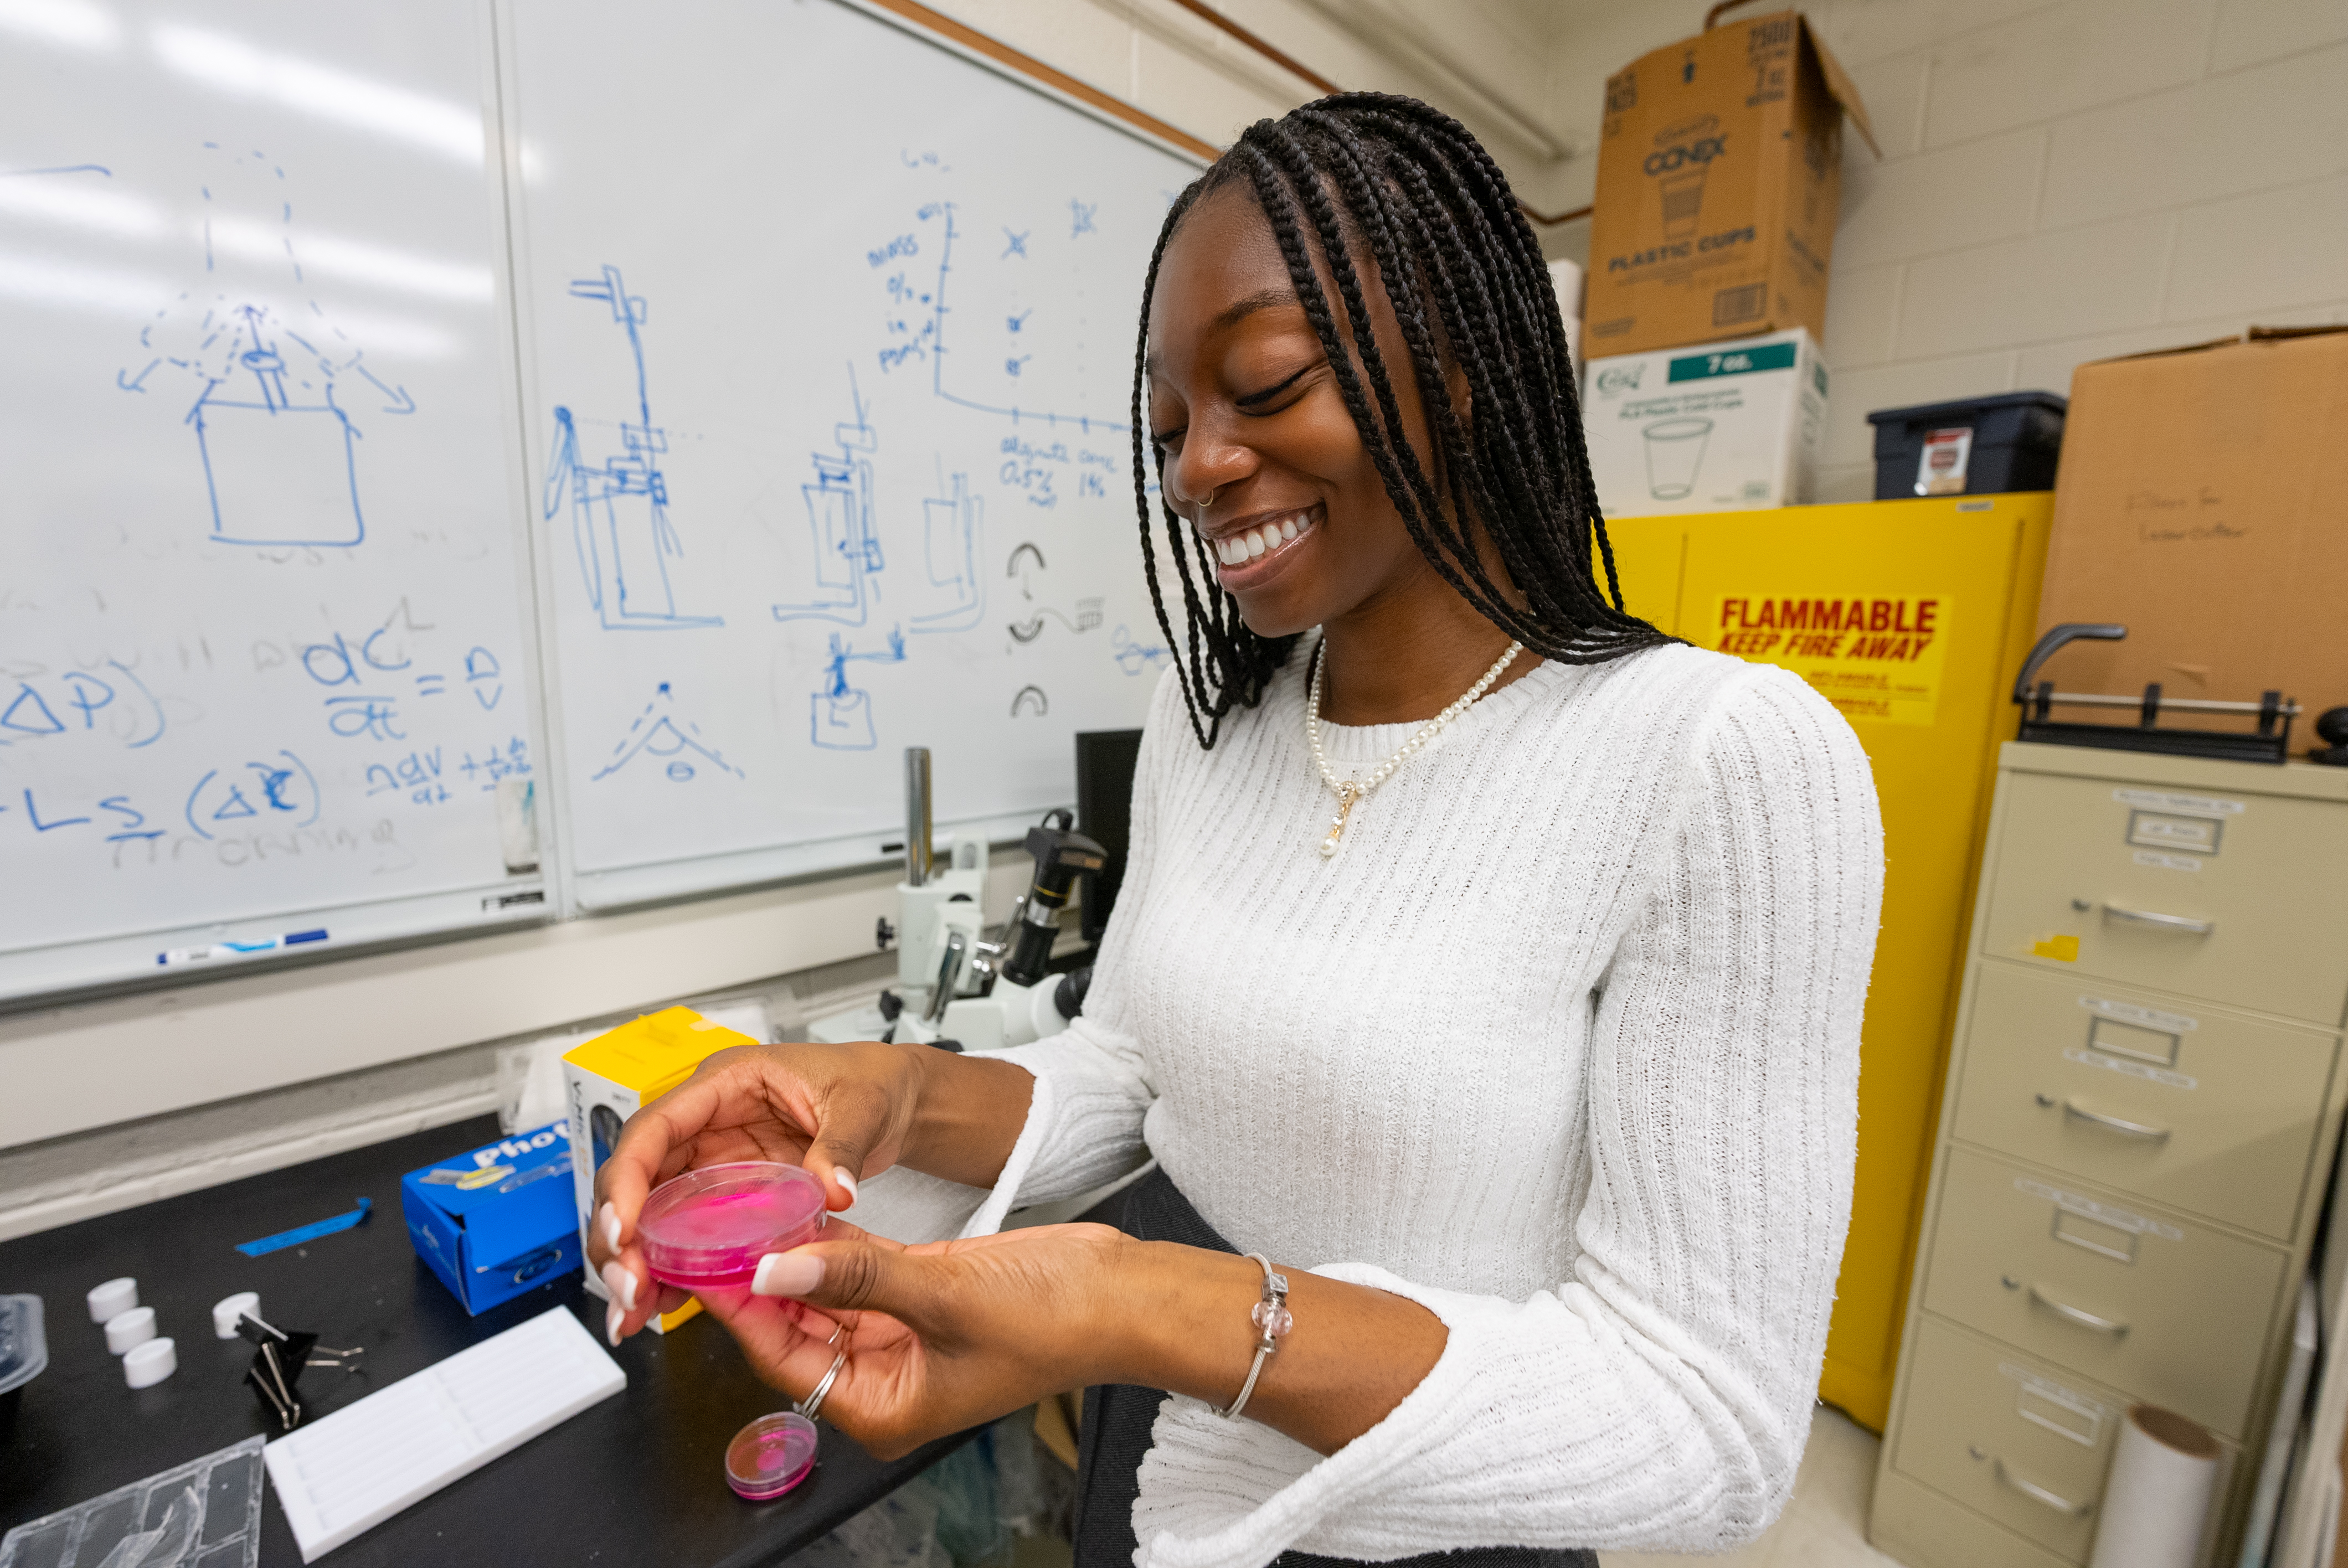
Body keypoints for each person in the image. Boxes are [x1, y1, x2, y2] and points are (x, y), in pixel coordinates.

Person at [590, 93, 1883, 1568]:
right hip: (1166, 1457)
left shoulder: (1718, 761)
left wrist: (1140, 1304)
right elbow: (1140, 1067)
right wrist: (890, 1093)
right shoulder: (1208, 722)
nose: (1200, 465)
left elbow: (1707, 1418)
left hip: (1440, 1514)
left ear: (1463, 373)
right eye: (1168, 423)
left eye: (1265, 384)